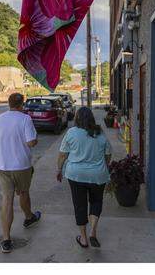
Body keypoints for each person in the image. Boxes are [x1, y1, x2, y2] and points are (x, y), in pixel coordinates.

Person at [56, 106, 112, 249]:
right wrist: (103, 166)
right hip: (97, 175)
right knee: (96, 201)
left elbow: (63, 154)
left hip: (76, 174)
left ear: (77, 118)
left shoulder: (72, 133)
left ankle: (84, 238)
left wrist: (59, 169)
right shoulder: (99, 133)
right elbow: (108, 154)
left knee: (79, 204)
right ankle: (93, 231)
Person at [0, 93, 41, 253]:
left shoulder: (0, 118)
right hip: (21, 165)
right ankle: (28, 218)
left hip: (3, 165)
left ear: (9, 104)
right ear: (22, 104)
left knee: (7, 199)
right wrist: (35, 139)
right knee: (24, 193)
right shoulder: (25, 119)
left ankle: (6, 239)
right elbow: (31, 142)